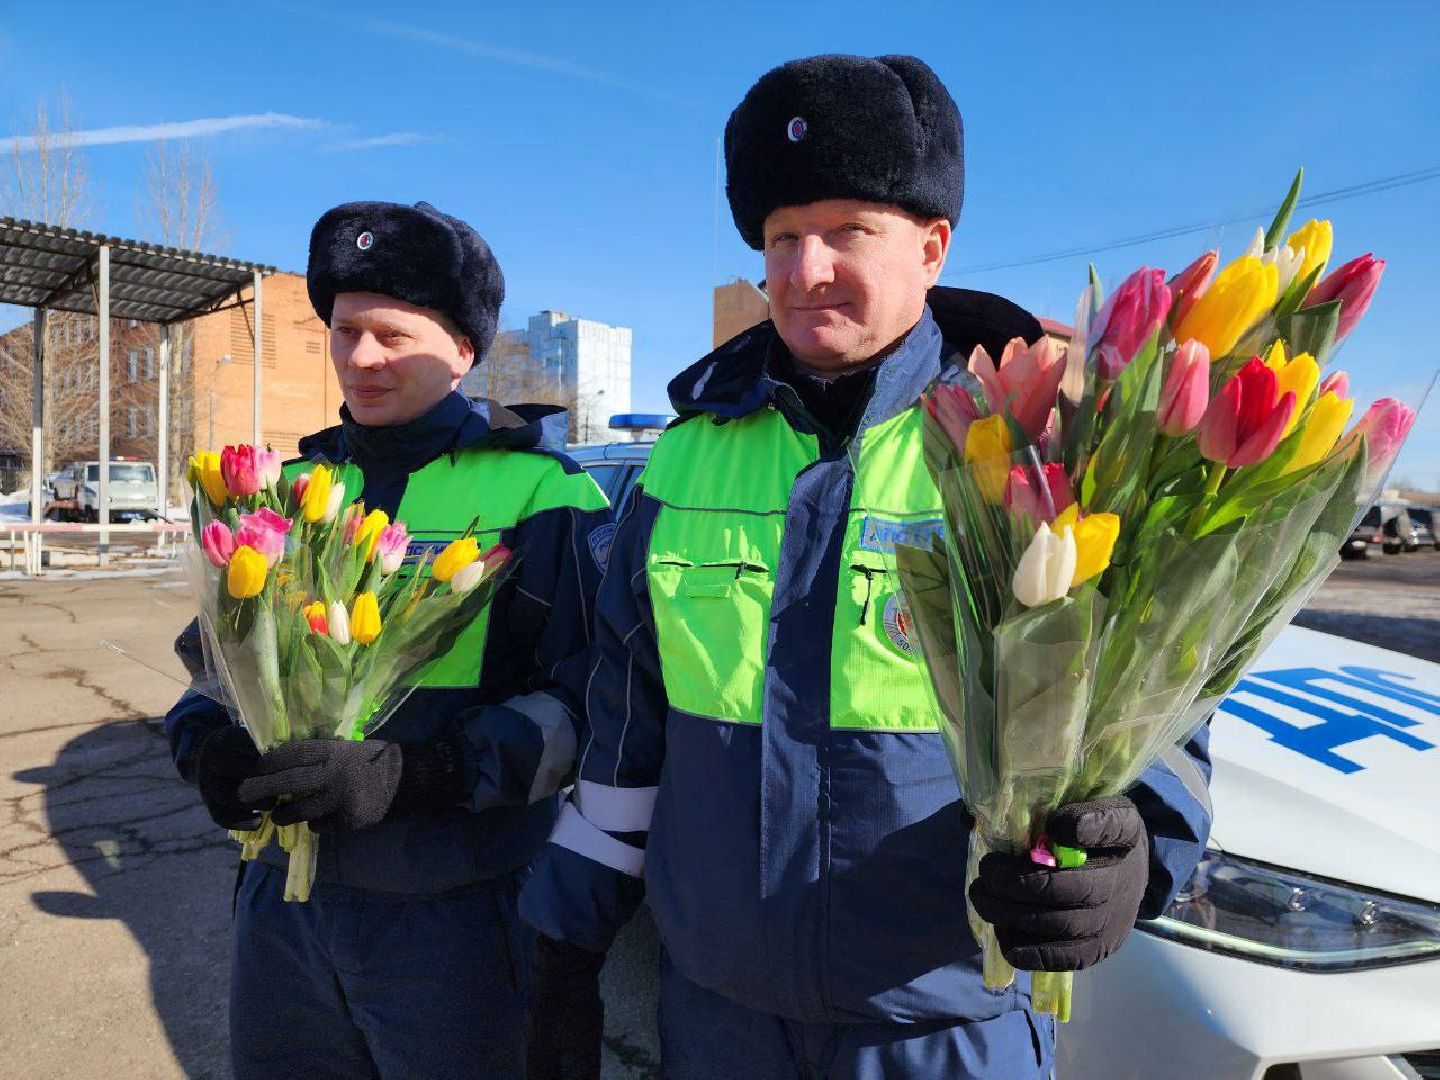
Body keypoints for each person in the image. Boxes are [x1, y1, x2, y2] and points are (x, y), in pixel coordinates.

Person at [519, 55, 1213, 1078]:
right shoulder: (685, 455)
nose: (806, 271)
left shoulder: (1032, 446)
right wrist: (559, 945)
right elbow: (628, 741)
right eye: (783, 238)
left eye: (848, 232)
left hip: (944, 1028)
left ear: (932, 247)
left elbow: (1155, 706)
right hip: (717, 1022)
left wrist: (1134, 852)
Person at [164, 200, 611, 1079]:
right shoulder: (285, 488)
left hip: (458, 913)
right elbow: (210, 670)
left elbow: (590, 705)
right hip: (284, 909)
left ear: (464, 350)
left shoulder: (540, 492)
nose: (361, 359)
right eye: (343, 331)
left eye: (392, 334)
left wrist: (424, 776)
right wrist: (204, 746)